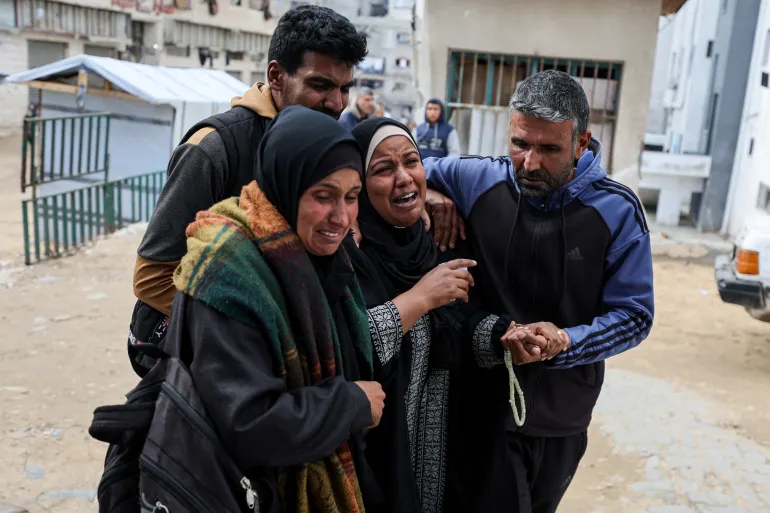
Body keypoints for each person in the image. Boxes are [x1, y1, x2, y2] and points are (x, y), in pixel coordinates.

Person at [422, 70, 655, 513]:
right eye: (520, 144)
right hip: (480, 408)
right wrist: (431, 193)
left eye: (549, 149)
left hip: (562, 416)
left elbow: (634, 316)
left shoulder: (617, 211)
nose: (529, 163)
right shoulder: (476, 179)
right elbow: (397, 167)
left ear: (581, 143)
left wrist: (564, 341)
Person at [163, 106, 384, 512]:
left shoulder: (323, 259)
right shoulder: (229, 273)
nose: (341, 217)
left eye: (352, 197)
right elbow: (248, 423)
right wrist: (350, 404)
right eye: (323, 196)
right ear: (286, 184)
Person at [128, 4, 368, 376]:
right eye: (320, 85)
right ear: (276, 75)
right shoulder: (214, 148)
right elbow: (152, 278)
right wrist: (249, 331)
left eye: (344, 88)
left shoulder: (327, 143)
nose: (336, 103)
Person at [344, 117, 530, 513]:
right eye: (383, 169)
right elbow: (347, 348)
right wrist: (420, 298)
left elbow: (455, 329)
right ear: (358, 186)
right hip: (379, 458)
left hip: (439, 452)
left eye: (411, 161)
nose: (404, 178)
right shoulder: (347, 255)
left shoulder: (432, 241)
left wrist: (503, 337)